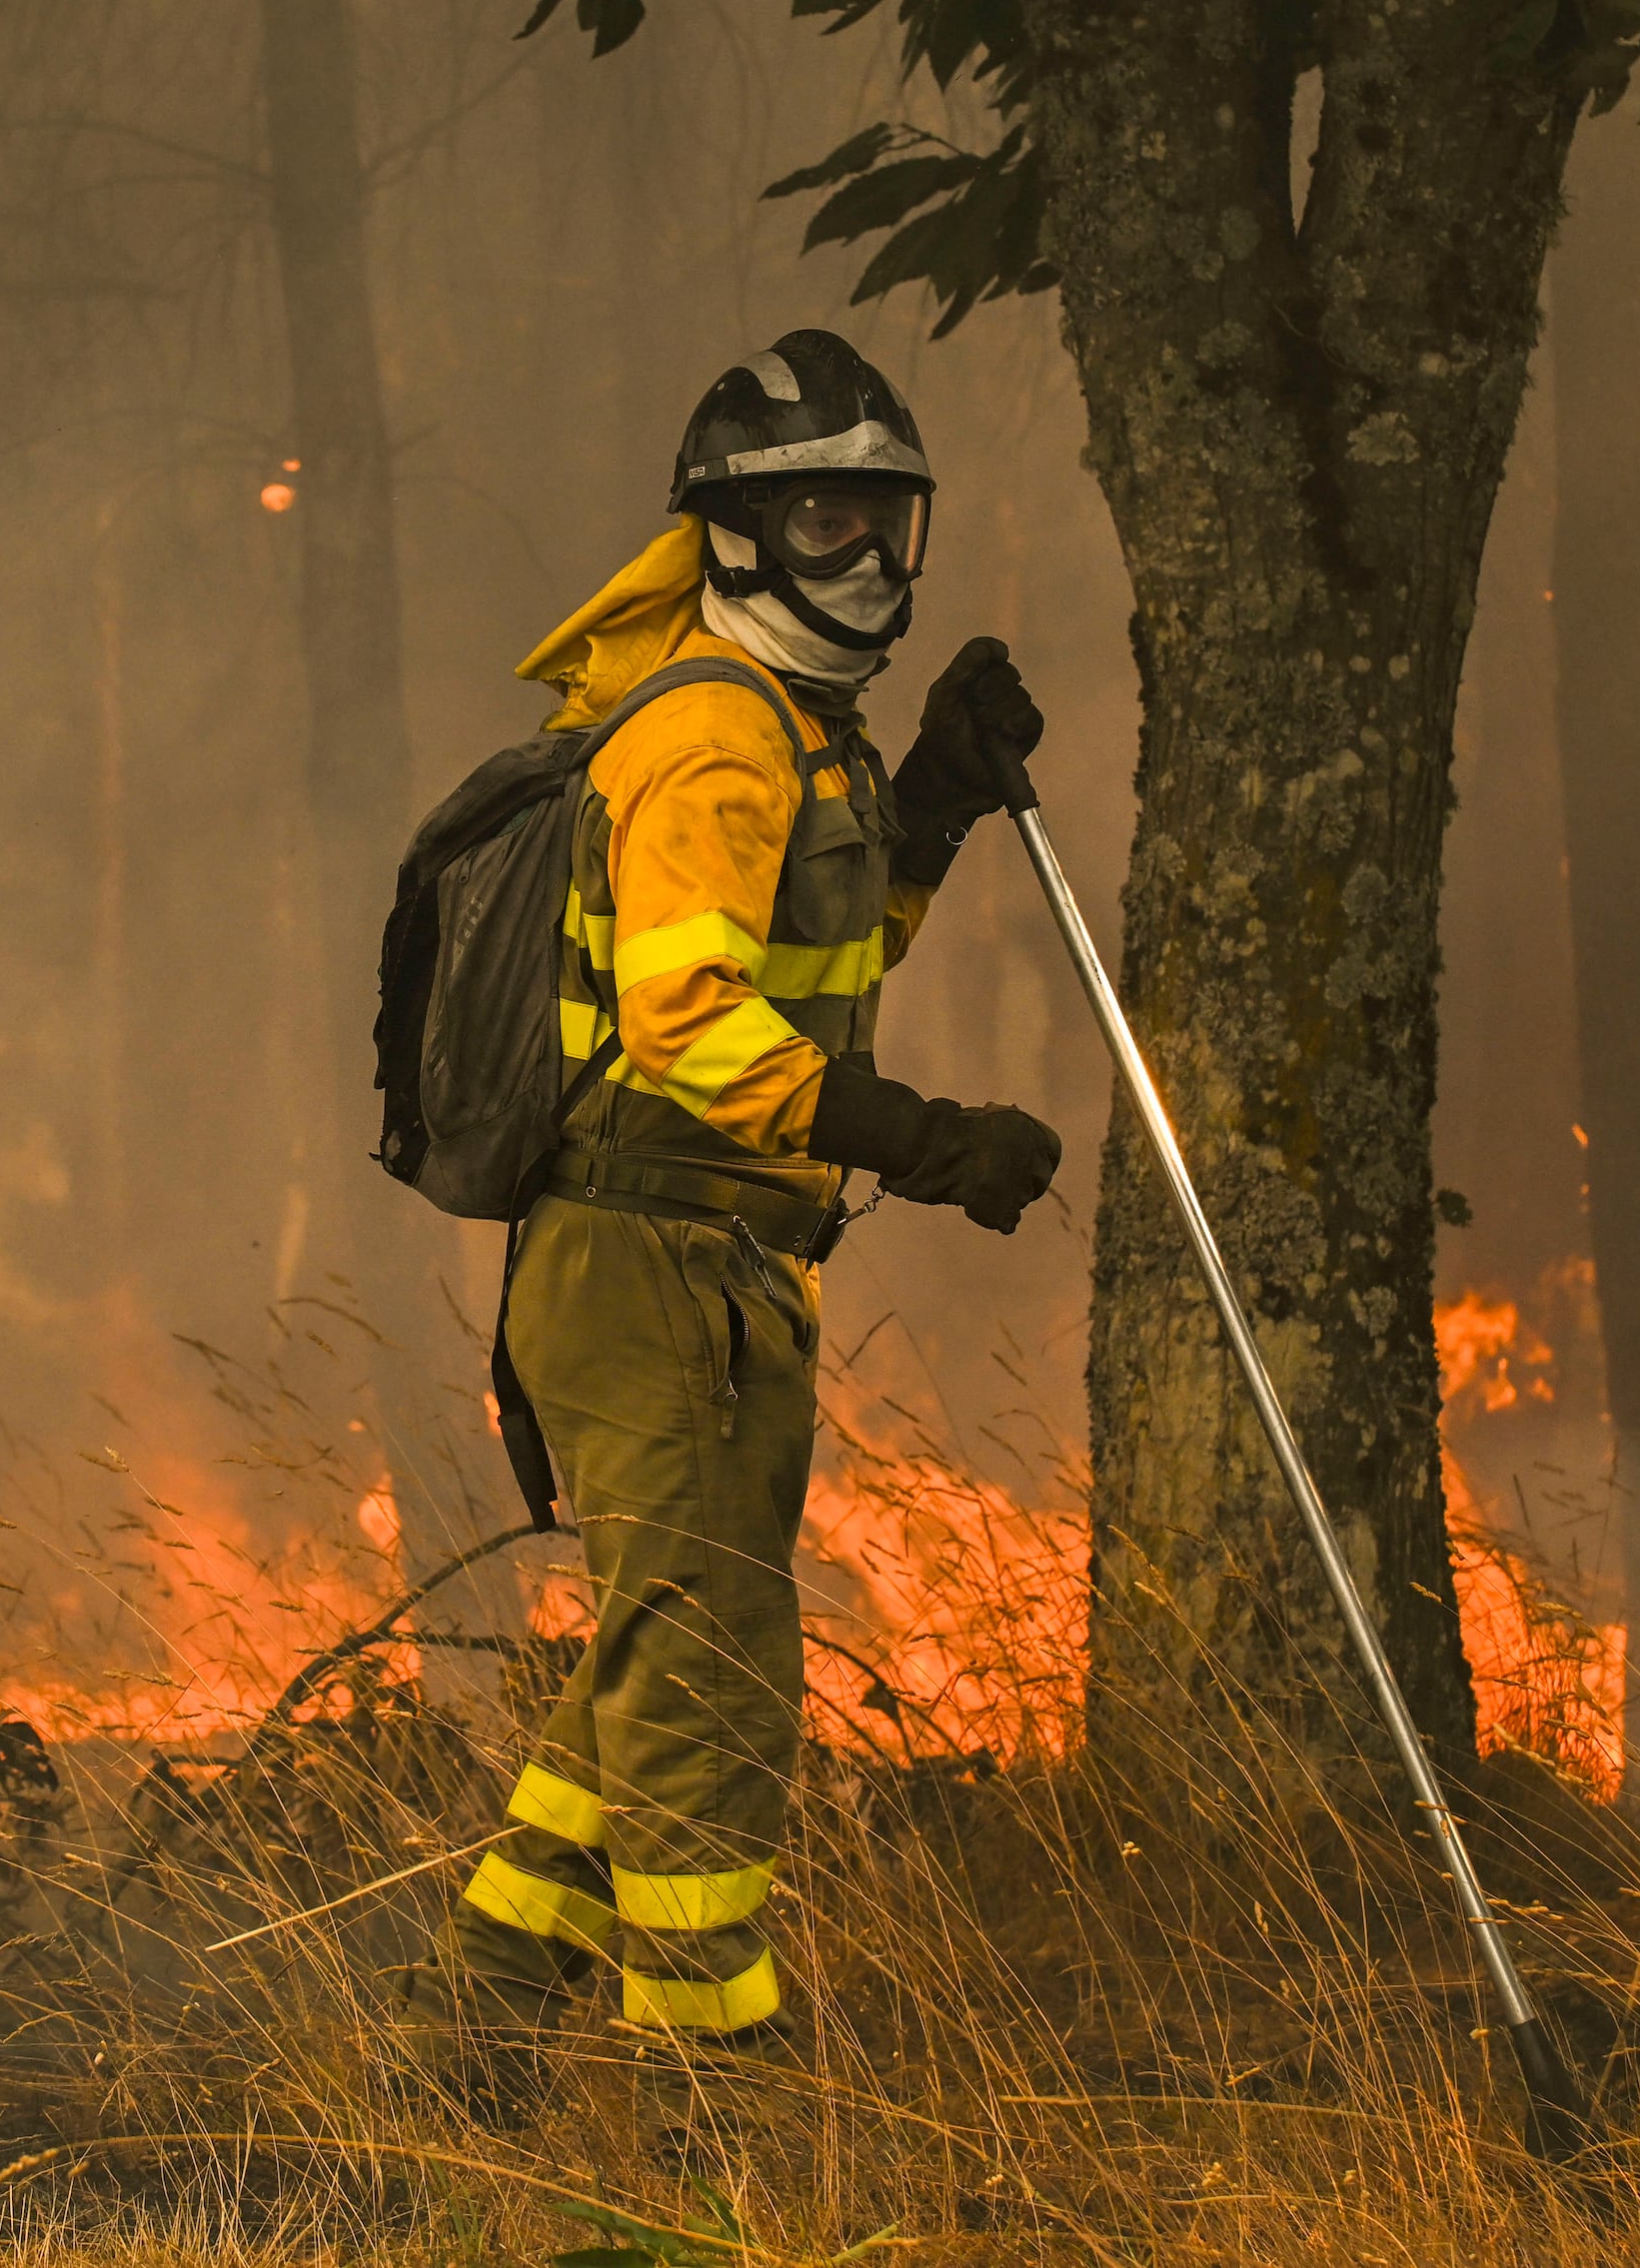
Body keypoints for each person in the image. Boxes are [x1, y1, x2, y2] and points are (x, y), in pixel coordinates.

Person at [436, 327, 1064, 2046]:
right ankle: (710, 2092)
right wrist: (927, 1140)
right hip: (652, 1259)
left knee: (665, 1648)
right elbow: (697, 1024)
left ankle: (479, 2024)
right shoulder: (716, 736)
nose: (861, 559)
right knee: (709, 1687)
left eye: (883, 518)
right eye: (820, 524)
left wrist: (929, 803)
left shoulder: (797, 731)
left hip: (711, 1259)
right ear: (732, 536)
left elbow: (822, 970)